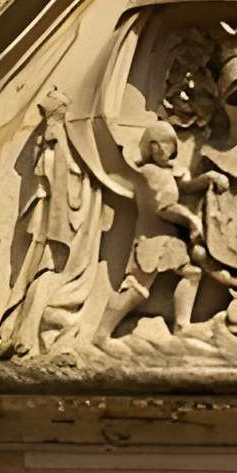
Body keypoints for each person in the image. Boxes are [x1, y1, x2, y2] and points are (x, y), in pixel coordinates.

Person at [98, 121, 212, 339]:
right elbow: (164, 207)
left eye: (167, 144)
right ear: (148, 148)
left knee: (191, 273)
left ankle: (181, 326)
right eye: (155, 144)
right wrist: (192, 220)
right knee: (137, 289)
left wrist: (206, 180)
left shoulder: (168, 172)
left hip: (168, 238)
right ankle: (102, 333)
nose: (161, 149)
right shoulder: (150, 172)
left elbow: (184, 187)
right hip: (152, 238)